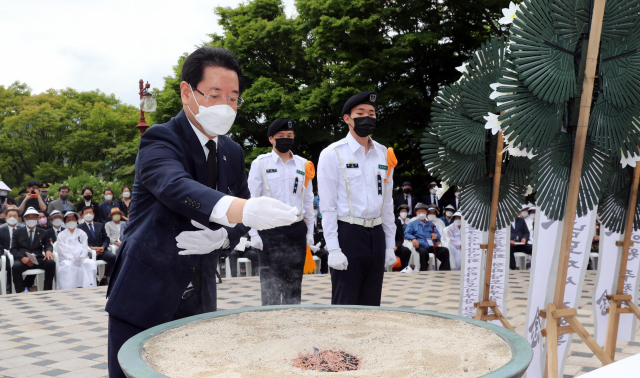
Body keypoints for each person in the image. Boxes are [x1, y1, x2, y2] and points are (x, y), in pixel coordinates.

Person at [104, 46, 297, 378]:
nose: (225, 106)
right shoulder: (160, 139)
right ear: (186, 92)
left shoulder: (232, 152)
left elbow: (241, 210)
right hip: (145, 293)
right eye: (214, 94)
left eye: (233, 98)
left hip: (200, 294)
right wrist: (240, 210)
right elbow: (174, 185)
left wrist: (224, 236)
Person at [317, 91, 397, 306]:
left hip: (377, 234)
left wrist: (389, 244)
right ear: (347, 119)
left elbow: (387, 203)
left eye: (372, 113)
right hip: (348, 234)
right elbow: (328, 206)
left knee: (372, 302)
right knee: (346, 302)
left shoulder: (383, 153)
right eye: (360, 113)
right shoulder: (333, 154)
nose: (367, 117)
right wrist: (333, 248)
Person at [247, 118, 315, 305]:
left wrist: (310, 231)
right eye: (281, 136)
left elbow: (308, 199)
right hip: (270, 229)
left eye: (290, 136)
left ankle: (292, 323)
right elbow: (252, 200)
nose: (286, 139)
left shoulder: (303, 164)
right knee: (270, 285)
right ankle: (270, 325)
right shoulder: (260, 163)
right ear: (271, 139)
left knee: (294, 282)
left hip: (296, 229)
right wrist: (253, 233)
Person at [10, 207, 56, 291]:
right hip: (23, 259)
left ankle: (47, 290)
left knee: (51, 263)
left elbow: (48, 245)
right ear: (25, 219)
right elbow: (13, 249)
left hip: (38, 259)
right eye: (29, 217)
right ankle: (20, 291)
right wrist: (22, 258)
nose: (31, 219)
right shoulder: (17, 232)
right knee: (15, 267)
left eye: (34, 217)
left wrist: (48, 250)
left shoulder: (43, 232)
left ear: (37, 219)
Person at [54, 211, 97, 289]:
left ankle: (88, 286)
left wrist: (81, 258)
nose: (71, 221)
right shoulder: (61, 235)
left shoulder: (82, 233)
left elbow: (85, 247)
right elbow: (61, 249)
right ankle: (68, 287)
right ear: (65, 222)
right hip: (67, 259)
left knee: (90, 263)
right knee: (68, 265)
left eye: (73, 219)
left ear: (77, 221)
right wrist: (71, 258)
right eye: (68, 220)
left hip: (81, 259)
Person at [404, 203, 451, 271]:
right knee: (423, 252)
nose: (421, 213)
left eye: (423, 211)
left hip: (431, 245)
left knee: (444, 250)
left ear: (426, 212)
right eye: (419, 211)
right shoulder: (412, 224)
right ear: (416, 213)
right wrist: (413, 238)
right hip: (419, 245)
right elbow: (406, 234)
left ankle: (444, 270)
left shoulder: (431, 224)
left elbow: (438, 235)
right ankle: (424, 270)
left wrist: (436, 237)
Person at [78, 207, 115, 284]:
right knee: (89, 259)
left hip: (101, 250)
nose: (88, 214)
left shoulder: (100, 225)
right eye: (86, 212)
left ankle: (104, 277)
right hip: (89, 251)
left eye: (90, 212)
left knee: (113, 257)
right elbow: (80, 241)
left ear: (94, 214)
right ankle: (94, 279)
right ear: (82, 215)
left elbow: (106, 238)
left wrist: (103, 247)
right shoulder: (80, 227)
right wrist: (92, 248)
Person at [510, 205, 532, 270]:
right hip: (510, 244)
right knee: (508, 249)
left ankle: (534, 267)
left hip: (521, 244)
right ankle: (513, 268)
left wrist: (525, 238)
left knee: (533, 248)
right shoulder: (503, 221)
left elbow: (526, 232)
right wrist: (509, 241)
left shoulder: (521, 220)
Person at [310, 201, 329, 274]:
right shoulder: (306, 222)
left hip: (318, 247)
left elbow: (325, 236)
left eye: (315, 208)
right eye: (312, 208)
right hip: (308, 248)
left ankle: (323, 273)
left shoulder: (321, 221)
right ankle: (309, 274)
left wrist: (319, 244)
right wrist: (310, 246)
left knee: (325, 254)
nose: (314, 210)